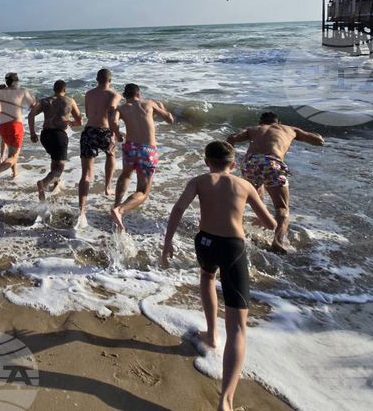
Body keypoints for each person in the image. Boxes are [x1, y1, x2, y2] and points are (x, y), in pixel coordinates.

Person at [160, 141, 277, 411]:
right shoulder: (244, 185)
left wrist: (167, 243)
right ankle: (226, 401)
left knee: (207, 278)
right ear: (233, 164)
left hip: (204, 243)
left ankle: (212, 335)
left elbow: (178, 209)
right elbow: (270, 223)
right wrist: (262, 220)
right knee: (237, 327)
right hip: (232, 248)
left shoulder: (199, 180)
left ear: (206, 161)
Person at [226, 112, 324, 253]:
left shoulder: (253, 129)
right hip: (271, 163)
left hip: (250, 162)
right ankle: (278, 241)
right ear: (278, 122)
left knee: (256, 197)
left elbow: (231, 138)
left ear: (261, 123)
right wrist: (298, 133)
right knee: (282, 208)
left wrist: (231, 158)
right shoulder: (289, 129)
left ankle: (238, 226)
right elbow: (319, 140)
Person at [110, 83, 174, 231]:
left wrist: (118, 134)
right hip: (147, 150)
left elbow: (113, 121)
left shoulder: (122, 108)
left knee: (125, 175)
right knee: (143, 192)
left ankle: (116, 204)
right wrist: (161, 107)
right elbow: (170, 119)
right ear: (138, 95)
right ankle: (120, 210)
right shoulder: (149, 103)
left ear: (125, 96)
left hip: (130, 147)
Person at [28, 80, 81, 201]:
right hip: (59, 135)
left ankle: (55, 183)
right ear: (65, 90)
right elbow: (79, 121)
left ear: (54, 89)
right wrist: (73, 123)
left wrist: (32, 132)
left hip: (45, 135)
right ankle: (43, 182)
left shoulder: (45, 101)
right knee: (60, 166)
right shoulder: (69, 101)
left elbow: (31, 115)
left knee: (55, 160)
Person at [79, 69, 122, 217]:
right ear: (110, 80)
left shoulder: (89, 94)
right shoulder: (114, 95)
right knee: (111, 155)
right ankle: (108, 187)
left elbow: (88, 114)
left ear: (97, 79)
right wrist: (113, 134)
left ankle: (81, 209)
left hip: (89, 130)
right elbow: (112, 113)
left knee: (86, 173)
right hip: (105, 131)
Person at [0, 73, 36, 187]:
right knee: (14, 156)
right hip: (15, 126)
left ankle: (14, 173)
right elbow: (33, 105)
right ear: (17, 82)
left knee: (12, 152)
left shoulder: (0, 92)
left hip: (3, 126)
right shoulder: (22, 91)